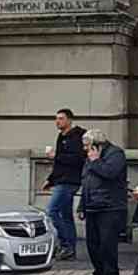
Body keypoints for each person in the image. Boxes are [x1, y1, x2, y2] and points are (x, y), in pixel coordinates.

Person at [77, 129, 127, 275]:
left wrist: (95, 161)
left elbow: (110, 173)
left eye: (87, 146)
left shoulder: (115, 154)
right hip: (92, 205)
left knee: (107, 243)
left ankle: (112, 274)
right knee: (93, 243)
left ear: (95, 145)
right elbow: (86, 182)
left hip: (110, 206)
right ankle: (99, 272)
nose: (85, 149)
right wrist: (81, 205)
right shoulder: (90, 159)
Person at [42, 108, 86, 261]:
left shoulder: (77, 136)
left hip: (70, 180)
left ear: (69, 120)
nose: (57, 121)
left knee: (52, 211)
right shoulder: (61, 136)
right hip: (62, 179)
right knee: (66, 216)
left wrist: (56, 155)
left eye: (61, 118)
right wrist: (50, 179)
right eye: (56, 118)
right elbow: (59, 163)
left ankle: (66, 244)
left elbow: (77, 159)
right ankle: (70, 249)